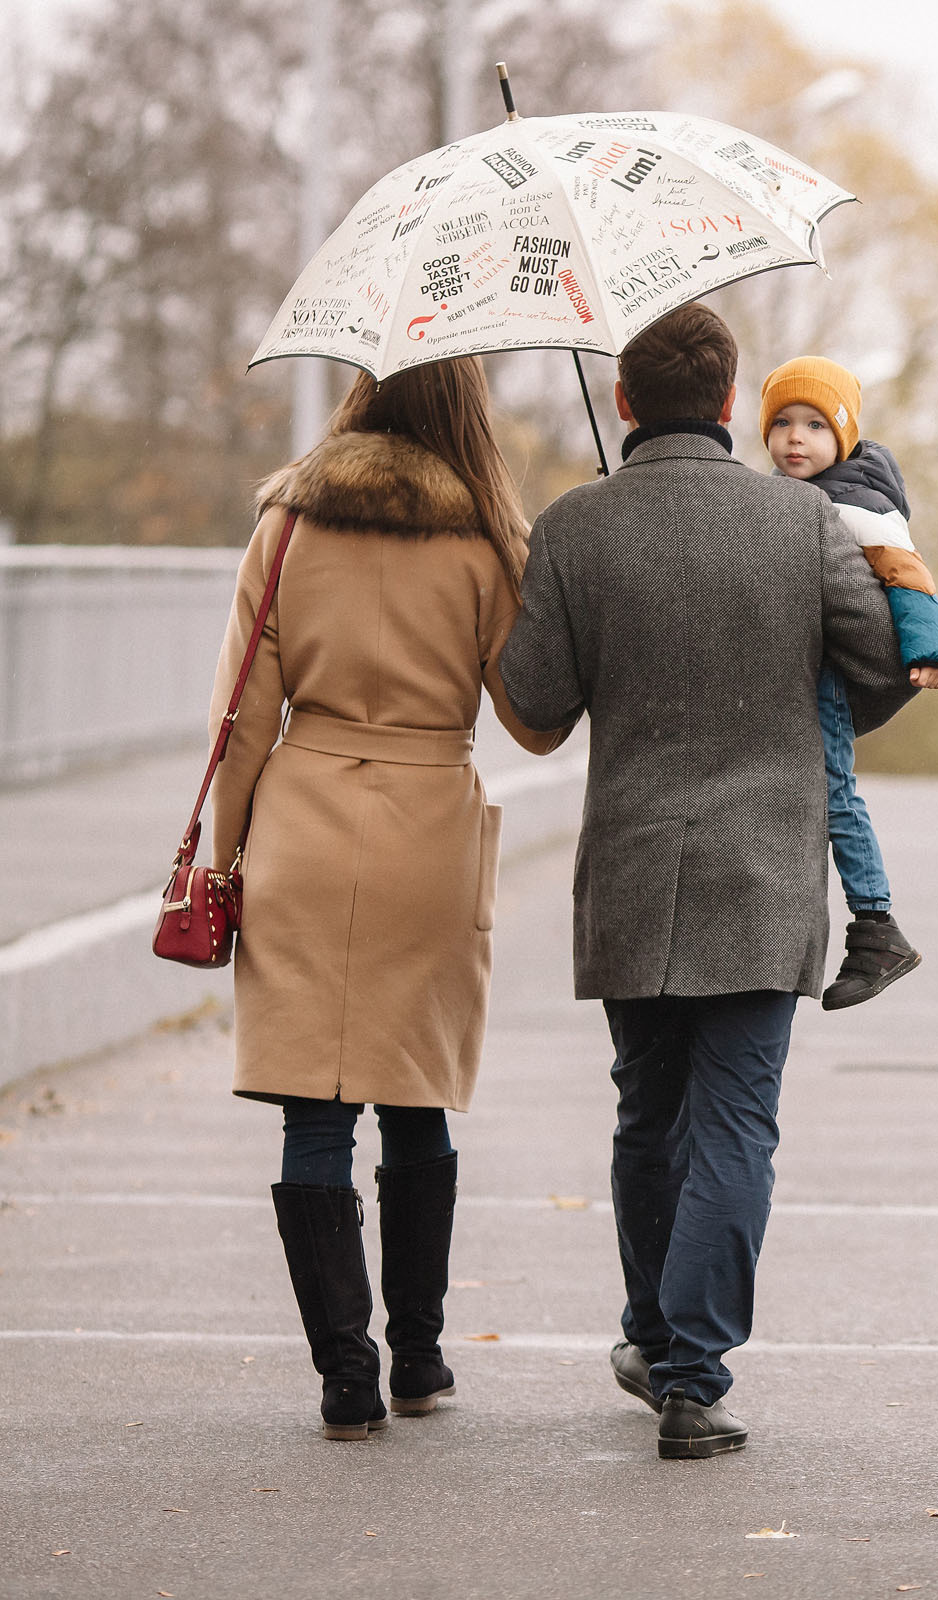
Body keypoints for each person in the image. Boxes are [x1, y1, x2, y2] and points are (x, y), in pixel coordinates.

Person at [499, 302, 915, 1460]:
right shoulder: (803, 525)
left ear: (625, 404)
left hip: (634, 868)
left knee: (648, 1113)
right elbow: (879, 675)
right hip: (764, 872)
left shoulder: (577, 527)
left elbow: (533, 708)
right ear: (730, 405)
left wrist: (569, 572)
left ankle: (649, 1330)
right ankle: (690, 1373)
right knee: (736, 1119)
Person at [206, 357, 566, 1441]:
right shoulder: (486, 546)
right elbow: (536, 724)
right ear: (465, 410)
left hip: (303, 825)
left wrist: (223, 861)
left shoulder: (289, 526)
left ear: (365, 394)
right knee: (415, 1099)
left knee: (314, 1107)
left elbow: (240, 715)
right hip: (427, 834)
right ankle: (419, 1357)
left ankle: (345, 1379)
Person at [756, 356, 938, 1009]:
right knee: (810, 793)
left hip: (827, 678)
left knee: (835, 794)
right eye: (783, 422)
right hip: (793, 669)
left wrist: (931, 650)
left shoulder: (857, 502)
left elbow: (909, 576)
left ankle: (877, 927)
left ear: (841, 436)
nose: (795, 438)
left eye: (814, 425)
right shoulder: (788, 498)